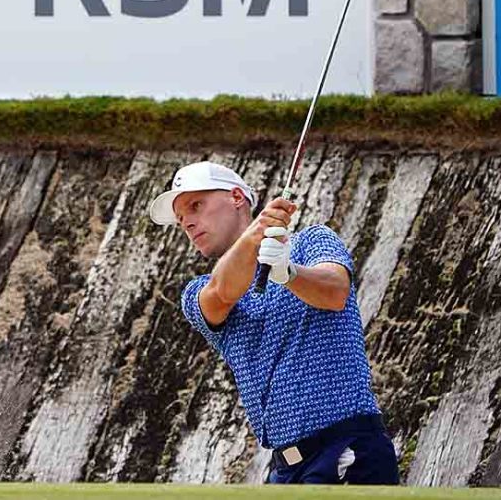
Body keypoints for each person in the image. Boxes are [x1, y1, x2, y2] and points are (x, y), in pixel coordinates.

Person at [148, 161, 399, 485]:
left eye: (196, 206)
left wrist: (287, 272)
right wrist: (254, 239)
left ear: (237, 197)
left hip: (347, 450)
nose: (189, 223)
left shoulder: (312, 241)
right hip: (284, 469)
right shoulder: (197, 290)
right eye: (181, 220)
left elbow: (336, 291)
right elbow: (222, 293)